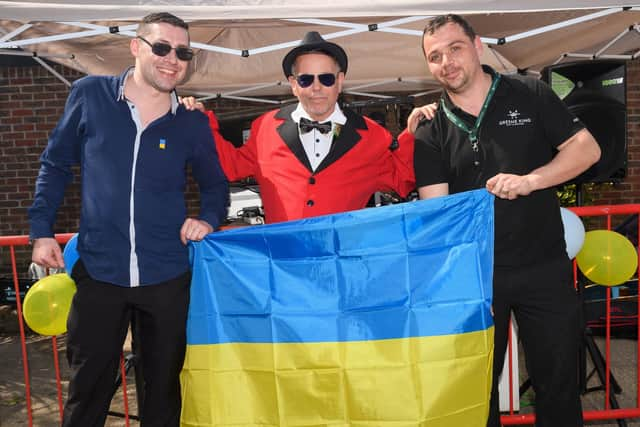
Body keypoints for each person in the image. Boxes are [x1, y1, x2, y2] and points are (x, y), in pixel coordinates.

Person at [28, 12, 228, 427]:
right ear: (136, 47)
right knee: (88, 394)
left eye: (182, 52)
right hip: (100, 274)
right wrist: (42, 230)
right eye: (162, 48)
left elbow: (215, 187)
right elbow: (55, 164)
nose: (172, 59)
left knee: (162, 397)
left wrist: (208, 219)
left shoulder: (192, 120)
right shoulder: (90, 94)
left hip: (167, 277)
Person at [412, 14, 601, 427]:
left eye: (454, 48)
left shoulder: (529, 92)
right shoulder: (429, 128)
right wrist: (458, 284)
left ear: (477, 46)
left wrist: (533, 180)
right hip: (477, 281)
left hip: (544, 267)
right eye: (435, 56)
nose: (446, 62)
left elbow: (586, 150)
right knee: (476, 396)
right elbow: (437, 215)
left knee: (558, 387)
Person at [183, 31, 416, 223]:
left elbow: (401, 180)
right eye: (306, 79)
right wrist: (204, 125)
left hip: (339, 265)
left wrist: (414, 134)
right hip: (283, 264)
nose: (316, 87)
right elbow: (231, 167)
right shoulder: (265, 127)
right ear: (294, 85)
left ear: (340, 81)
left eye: (326, 79)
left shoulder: (371, 135)